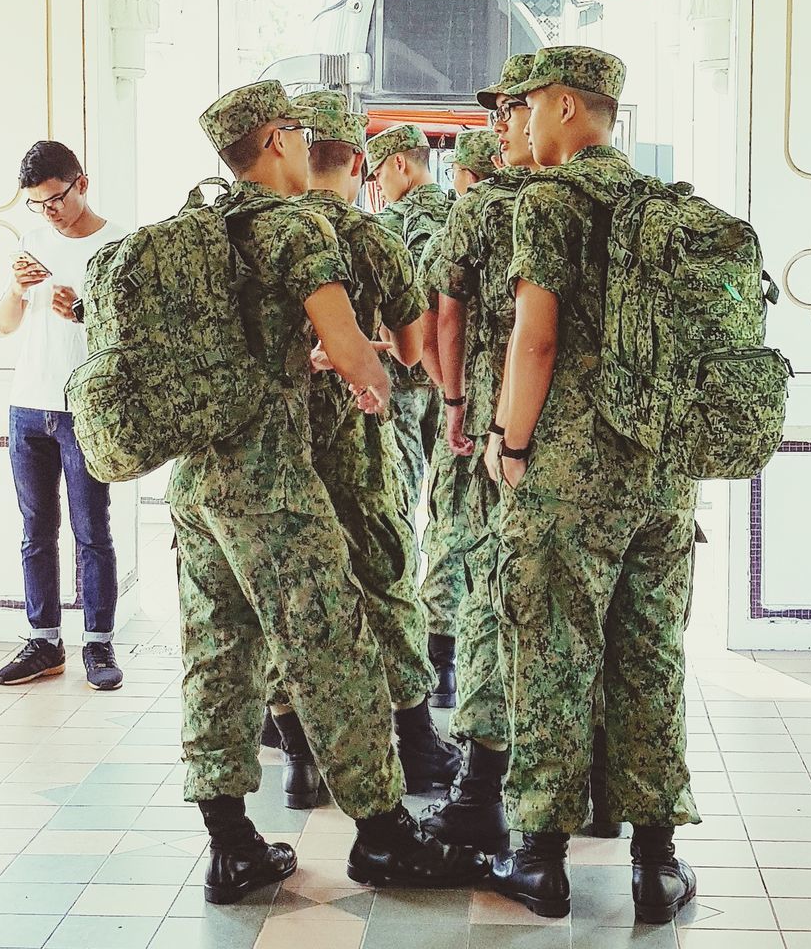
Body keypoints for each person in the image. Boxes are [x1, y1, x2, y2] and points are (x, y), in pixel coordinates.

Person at [168, 81, 486, 904]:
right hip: (272, 483)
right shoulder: (299, 227)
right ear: (277, 139)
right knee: (335, 647)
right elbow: (357, 347)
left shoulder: (200, 224)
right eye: (297, 132)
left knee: (218, 650)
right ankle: (383, 836)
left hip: (196, 480)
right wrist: (366, 373)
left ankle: (231, 842)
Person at [482, 47, 699, 924]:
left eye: (530, 107)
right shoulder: (663, 206)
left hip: (569, 478)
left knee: (553, 655)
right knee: (650, 658)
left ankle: (539, 859)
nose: (523, 123)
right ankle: (656, 866)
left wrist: (507, 441)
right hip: (661, 473)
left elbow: (535, 339)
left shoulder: (550, 202)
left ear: (570, 106)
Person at [265, 92, 458, 810]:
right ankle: (413, 741)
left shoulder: (256, 232)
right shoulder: (374, 239)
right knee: (382, 578)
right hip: (357, 440)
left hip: (275, 451)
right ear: (357, 160)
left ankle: (298, 756)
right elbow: (411, 351)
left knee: (282, 593)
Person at [417, 61, 537, 853]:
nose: (501, 126)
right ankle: (592, 792)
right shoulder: (625, 206)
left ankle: (481, 789)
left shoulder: (484, 212)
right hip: (595, 454)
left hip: (503, 440)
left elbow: (441, 325)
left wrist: (458, 405)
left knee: (493, 594)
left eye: (509, 112)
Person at [0, 140, 127, 691]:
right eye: (37, 204)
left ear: (82, 184)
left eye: (55, 199)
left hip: (86, 407)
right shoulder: (33, 242)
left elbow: (133, 335)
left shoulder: (118, 245)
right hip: (29, 403)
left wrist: (84, 313)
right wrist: (15, 287)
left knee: (92, 530)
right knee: (35, 530)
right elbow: (5, 324)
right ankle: (43, 640)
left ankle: (99, 643)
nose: (49, 211)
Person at [368, 124, 452, 539]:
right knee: (450, 500)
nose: (378, 185)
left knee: (399, 492)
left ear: (399, 163)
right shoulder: (462, 211)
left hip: (401, 379)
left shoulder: (385, 225)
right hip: (452, 377)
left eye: (378, 172)